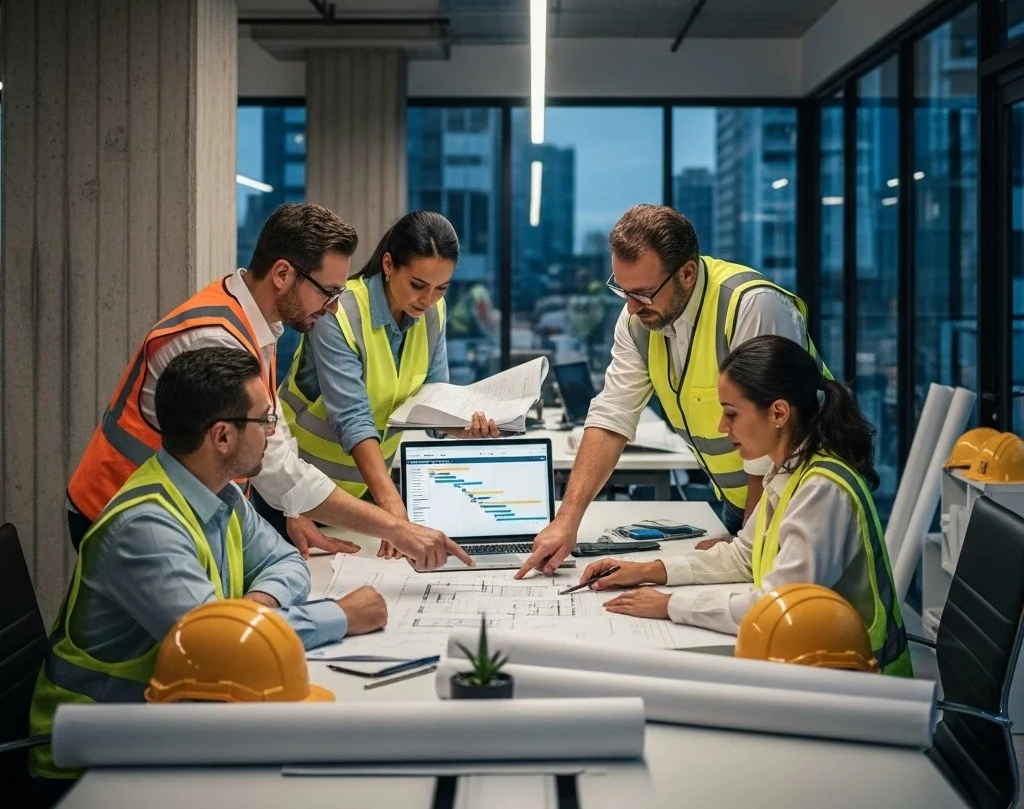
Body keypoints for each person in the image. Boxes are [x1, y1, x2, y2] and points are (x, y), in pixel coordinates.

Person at [29, 347, 389, 782]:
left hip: (167, 726)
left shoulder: (220, 492)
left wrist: (251, 614)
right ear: (222, 436)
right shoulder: (146, 529)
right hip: (92, 757)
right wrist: (340, 616)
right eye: (265, 422)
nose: (272, 432)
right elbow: (218, 653)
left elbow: (287, 562)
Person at [66, 202, 472, 569]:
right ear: (282, 273)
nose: (332, 307)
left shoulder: (258, 323)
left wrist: (295, 509)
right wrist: (395, 528)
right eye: (329, 293)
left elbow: (270, 431)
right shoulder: (215, 338)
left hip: (175, 513)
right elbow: (278, 468)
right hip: (118, 509)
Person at [517, 203, 828, 578]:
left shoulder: (752, 305)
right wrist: (566, 521)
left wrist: (746, 544)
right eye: (622, 290)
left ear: (687, 273)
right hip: (738, 504)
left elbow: (773, 436)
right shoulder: (638, 320)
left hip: (800, 505)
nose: (631, 307)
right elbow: (612, 415)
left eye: (644, 293)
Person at [575, 335, 912, 677]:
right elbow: (744, 556)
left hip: (865, 689)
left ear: (778, 413)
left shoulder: (821, 491)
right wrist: (649, 570)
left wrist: (670, 605)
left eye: (732, 414)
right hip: (820, 671)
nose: (723, 427)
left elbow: (774, 611)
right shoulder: (789, 469)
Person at [280, 210, 499, 559]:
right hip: (295, 496)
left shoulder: (430, 315)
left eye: (441, 288)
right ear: (388, 264)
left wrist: (462, 428)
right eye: (418, 285)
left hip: (359, 497)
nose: (427, 300)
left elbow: (433, 399)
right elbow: (353, 420)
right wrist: (392, 511)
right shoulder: (338, 311)